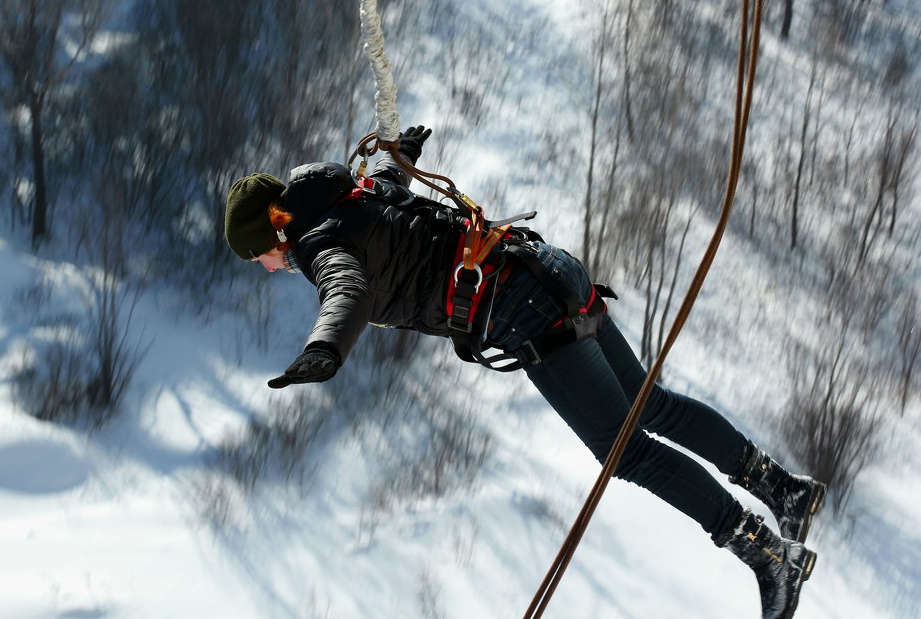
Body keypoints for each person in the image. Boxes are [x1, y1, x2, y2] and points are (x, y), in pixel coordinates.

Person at [225, 126, 825, 619]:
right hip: (543, 266)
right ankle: (782, 489)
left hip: (521, 311)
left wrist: (326, 347)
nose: (271, 268)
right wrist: (403, 159)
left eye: (262, 256)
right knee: (650, 405)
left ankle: (769, 555)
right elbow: (385, 189)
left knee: (628, 452)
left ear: (277, 229)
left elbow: (346, 291)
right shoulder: (346, 195)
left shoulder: (317, 244)